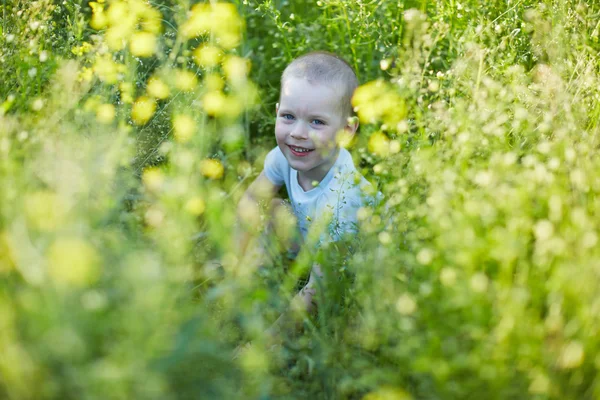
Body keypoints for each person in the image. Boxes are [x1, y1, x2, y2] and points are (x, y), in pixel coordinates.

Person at [235, 51, 381, 344]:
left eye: (316, 122)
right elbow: (251, 201)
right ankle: (247, 279)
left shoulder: (344, 198)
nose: (298, 133)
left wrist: (264, 346)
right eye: (288, 116)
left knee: (344, 300)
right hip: (313, 238)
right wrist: (234, 264)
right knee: (274, 208)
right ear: (277, 112)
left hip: (356, 269)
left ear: (347, 130)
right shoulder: (282, 157)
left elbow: (318, 293)